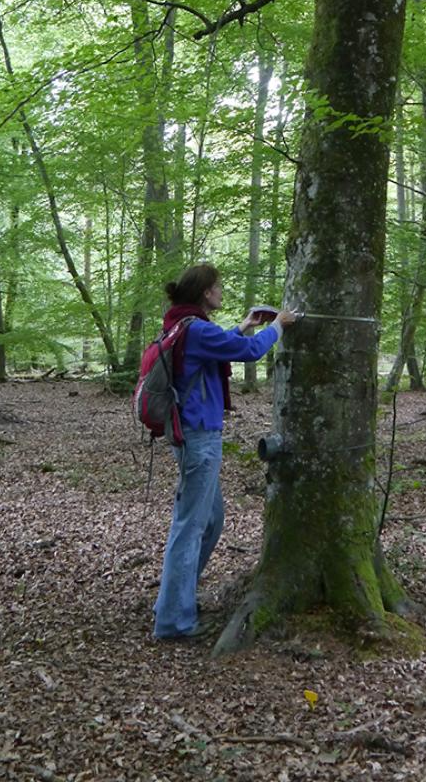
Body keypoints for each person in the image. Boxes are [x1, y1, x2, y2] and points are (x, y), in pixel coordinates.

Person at [147, 262, 296, 641]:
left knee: (211, 521)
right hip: (198, 438)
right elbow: (247, 353)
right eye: (217, 286)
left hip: (193, 435)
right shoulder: (196, 329)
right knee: (190, 527)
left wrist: (245, 324)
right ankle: (173, 622)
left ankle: (173, 601)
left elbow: (223, 346)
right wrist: (277, 325)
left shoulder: (184, 325)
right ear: (205, 293)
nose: (221, 291)